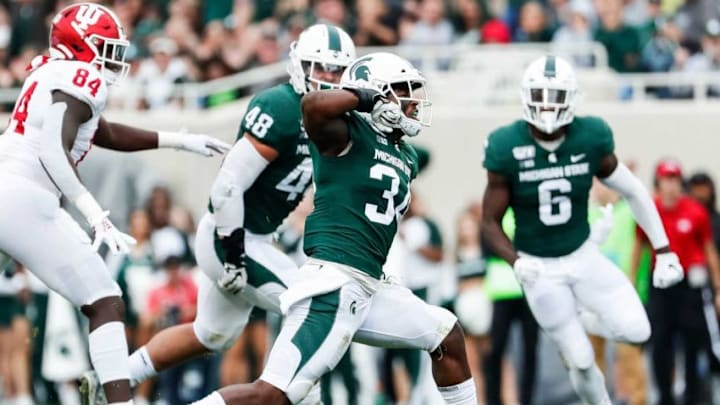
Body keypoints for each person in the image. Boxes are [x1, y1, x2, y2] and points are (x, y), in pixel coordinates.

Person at [190, 52, 476, 405]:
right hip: (333, 285)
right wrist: (363, 98)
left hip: (369, 285)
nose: (414, 101)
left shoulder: (406, 155)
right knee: (271, 395)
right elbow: (313, 105)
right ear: (379, 95)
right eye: (404, 91)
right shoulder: (344, 134)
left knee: (446, 335)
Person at [0, 4, 230, 405]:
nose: (114, 57)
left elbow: (101, 132)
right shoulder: (82, 76)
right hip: (25, 199)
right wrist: (93, 213)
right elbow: (54, 151)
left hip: (8, 190)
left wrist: (178, 139)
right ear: (81, 44)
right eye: (105, 47)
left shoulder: (52, 72)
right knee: (104, 299)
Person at [121, 24, 357, 405]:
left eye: (336, 70)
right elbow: (227, 186)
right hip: (231, 236)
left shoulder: (334, 120)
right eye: (320, 67)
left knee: (211, 334)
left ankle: (114, 378)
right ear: (300, 64)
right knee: (309, 305)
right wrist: (234, 255)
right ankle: (291, 397)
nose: (327, 78)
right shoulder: (281, 107)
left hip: (253, 238)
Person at [482, 55, 684, 405]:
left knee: (639, 330)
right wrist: (515, 261)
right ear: (526, 97)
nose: (547, 106)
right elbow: (489, 221)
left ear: (572, 98)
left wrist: (664, 251)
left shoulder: (590, 136)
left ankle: (589, 320)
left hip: (582, 253)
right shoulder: (506, 145)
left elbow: (634, 189)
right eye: (540, 96)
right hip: (540, 268)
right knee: (581, 360)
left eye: (555, 96)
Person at [638, 160, 720, 405]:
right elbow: (639, 248)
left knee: (693, 344)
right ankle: (664, 397)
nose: (671, 186)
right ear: (658, 183)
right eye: (666, 180)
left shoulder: (695, 211)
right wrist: (633, 285)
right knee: (660, 344)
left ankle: (692, 397)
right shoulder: (649, 210)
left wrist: (717, 287)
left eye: (675, 180)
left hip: (689, 287)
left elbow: (709, 250)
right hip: (661, 287)